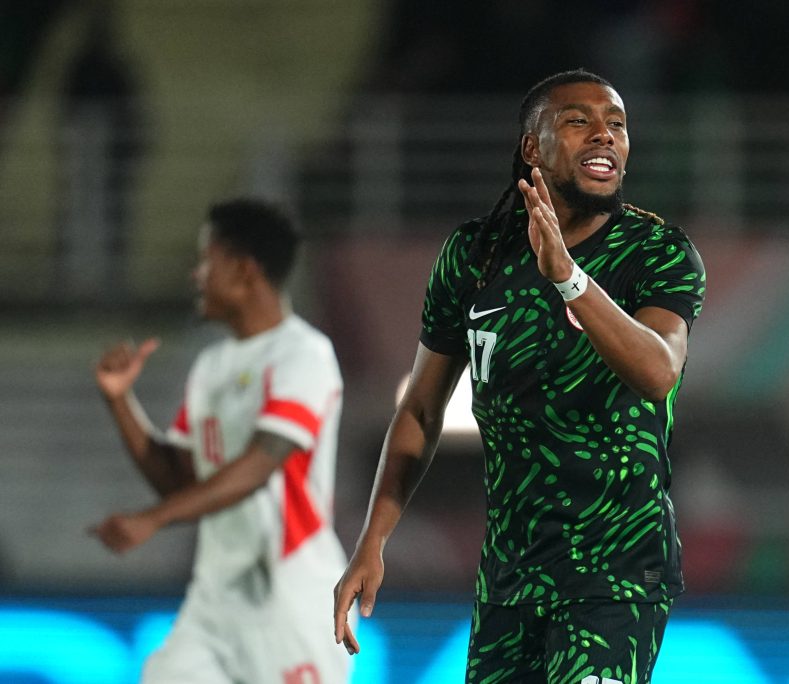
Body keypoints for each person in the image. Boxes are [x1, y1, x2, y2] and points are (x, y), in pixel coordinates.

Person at [334, 69, 706, 683]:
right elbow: (422, 410)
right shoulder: (473, 257)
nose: (604, 136)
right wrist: (373, 540)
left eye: (616, 124)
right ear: (533, 147)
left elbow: (659, 371)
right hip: (511, 578)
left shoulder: (657, 251)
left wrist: (569, 278)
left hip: (616, 572)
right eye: (578, 121)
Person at [91, 198, 351, 684]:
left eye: (207, 259)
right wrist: (120, 401)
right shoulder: (213, 367)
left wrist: (153, 520)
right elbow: (180, 479)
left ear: (244, 270)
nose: (197, 274)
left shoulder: (303, 355)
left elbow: (259, 465)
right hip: (215, 602)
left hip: (288, 596)